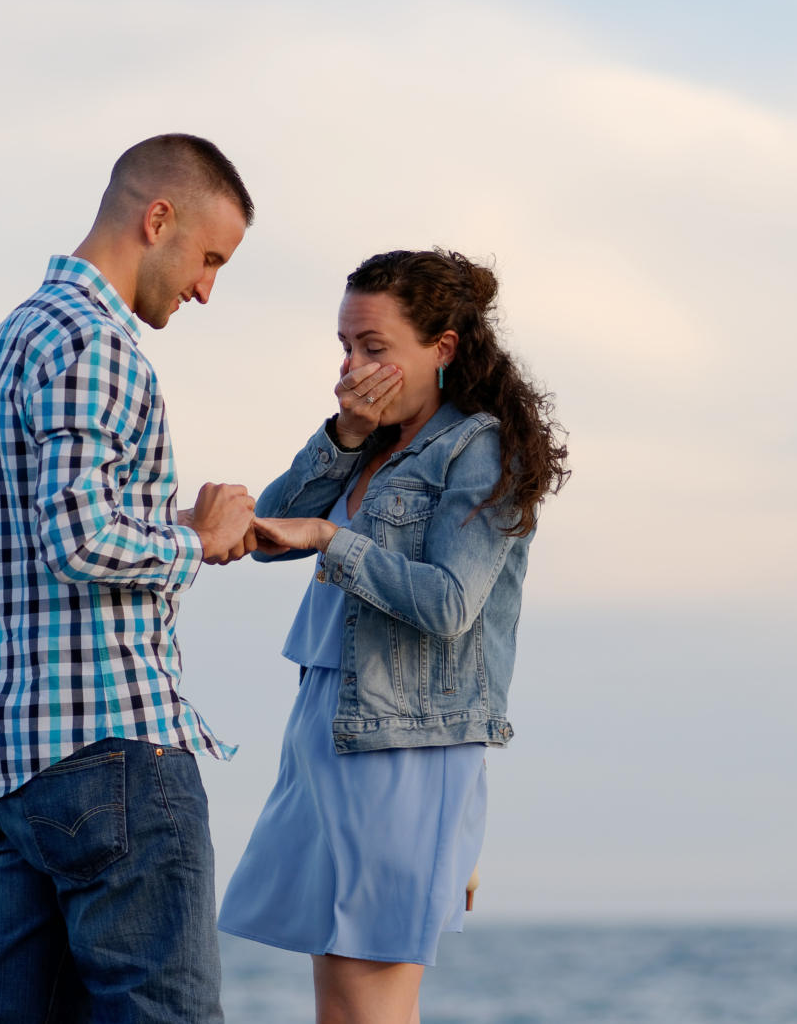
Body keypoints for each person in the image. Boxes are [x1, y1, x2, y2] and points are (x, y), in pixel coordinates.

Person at [0, 134, 259, 1023]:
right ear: (156, 218)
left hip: (10, 772)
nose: (205, 287)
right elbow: (78, 538)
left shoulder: (4, 345)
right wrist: (197, 538)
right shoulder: (99, 346)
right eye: (207, 258)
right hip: (112, 753)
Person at [217, 249, 570, 1024]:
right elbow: (269, 529)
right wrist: (344, 433)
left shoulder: (479, 446)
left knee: (369, 1000)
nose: (353, 365)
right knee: (340, 1001)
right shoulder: (369, 441)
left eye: (374, 347)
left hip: (403, 745)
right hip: (327, 729)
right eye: (346, 346)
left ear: (442, 347)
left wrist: (330, 537)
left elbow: (450, 604)